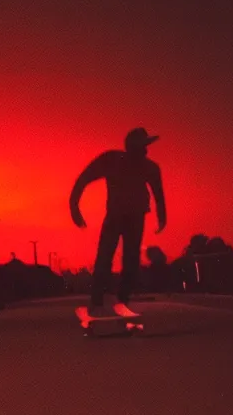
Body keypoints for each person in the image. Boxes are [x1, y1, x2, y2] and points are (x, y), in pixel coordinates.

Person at [69, 127, 167, 318]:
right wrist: (74, 206)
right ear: (132, 148)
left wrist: (162, 216)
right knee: (105, 257)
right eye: (142, 148)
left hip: (135, 216)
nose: (145, 152)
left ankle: (121, 300)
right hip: (115, 215)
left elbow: (159, 195)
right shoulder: (112, 160)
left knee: (130, 259)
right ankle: (97, 301)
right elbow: (84, 179)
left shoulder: (150, 168)